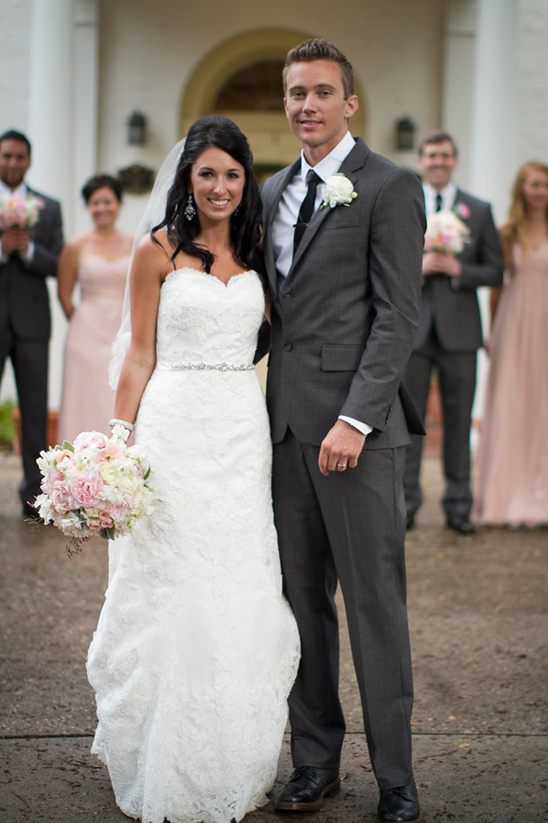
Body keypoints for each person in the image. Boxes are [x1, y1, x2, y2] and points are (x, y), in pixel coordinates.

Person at [86, 116, 300, 823]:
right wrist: (118, 442)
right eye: (207, 173)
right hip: (174, 427)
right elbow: (139, 353)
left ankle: (231, 751)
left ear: (247, 183)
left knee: (239, 576)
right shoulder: (156, 253)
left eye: (232, 174)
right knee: (174, 578)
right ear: (187, 178)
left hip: (241, 429)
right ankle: (159, 747)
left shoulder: (258, 253)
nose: (219, 185)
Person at [260, 40, 425, 823]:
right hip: (285, 432)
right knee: (300, 605)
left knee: (373, 606)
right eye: (296, 93)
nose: (307, 105)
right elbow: (271, 319)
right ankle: (314, 763)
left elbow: (398, 316)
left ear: (349, 102)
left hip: (356, 437)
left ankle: (396, 776)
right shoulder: (270, 192)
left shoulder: (389, 187)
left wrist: (356, 417)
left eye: (322, 91)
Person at [403, 130, 504, 534]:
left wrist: (461, 270)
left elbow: (495, 270)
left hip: (461, 334)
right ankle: (405, 504)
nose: (438, 161)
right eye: (431, 155)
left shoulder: (478, 211)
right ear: (422, 159)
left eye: (444, 155)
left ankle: (458, 504)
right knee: (409, 424)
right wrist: (418, 267)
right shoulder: (404, 204)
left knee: (459, 422)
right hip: (412, 331)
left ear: (454, 160)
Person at [473, 161, 548, 529]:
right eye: (535, 184)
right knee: (511, 407)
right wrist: (492, 331)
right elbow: (497, 288)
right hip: (514, 326)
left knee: (543, 410)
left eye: (546, 185)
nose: (541, 191)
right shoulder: (508, 232)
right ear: (521, 188)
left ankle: (541, 499)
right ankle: (505, 498)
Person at [0, 129, 63, 518]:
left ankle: (34, 498)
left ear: (29, 160)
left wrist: (28, 249)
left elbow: (57, 262)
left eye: (19, 156)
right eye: (6, 156)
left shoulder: (49, 207)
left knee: (35, 411)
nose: (12, 162)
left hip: (32, 322)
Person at [57, 174, 132, 442]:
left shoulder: (135, 243)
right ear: (88, 207)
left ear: (119, 204)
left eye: (107, 202)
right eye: (95, 203)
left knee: (116, 398)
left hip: (121, 333)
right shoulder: (75, 245)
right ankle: (77, 470)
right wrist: (83, 326)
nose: (102, 208)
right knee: (84, 399)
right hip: (85, 336)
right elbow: (64, 296)